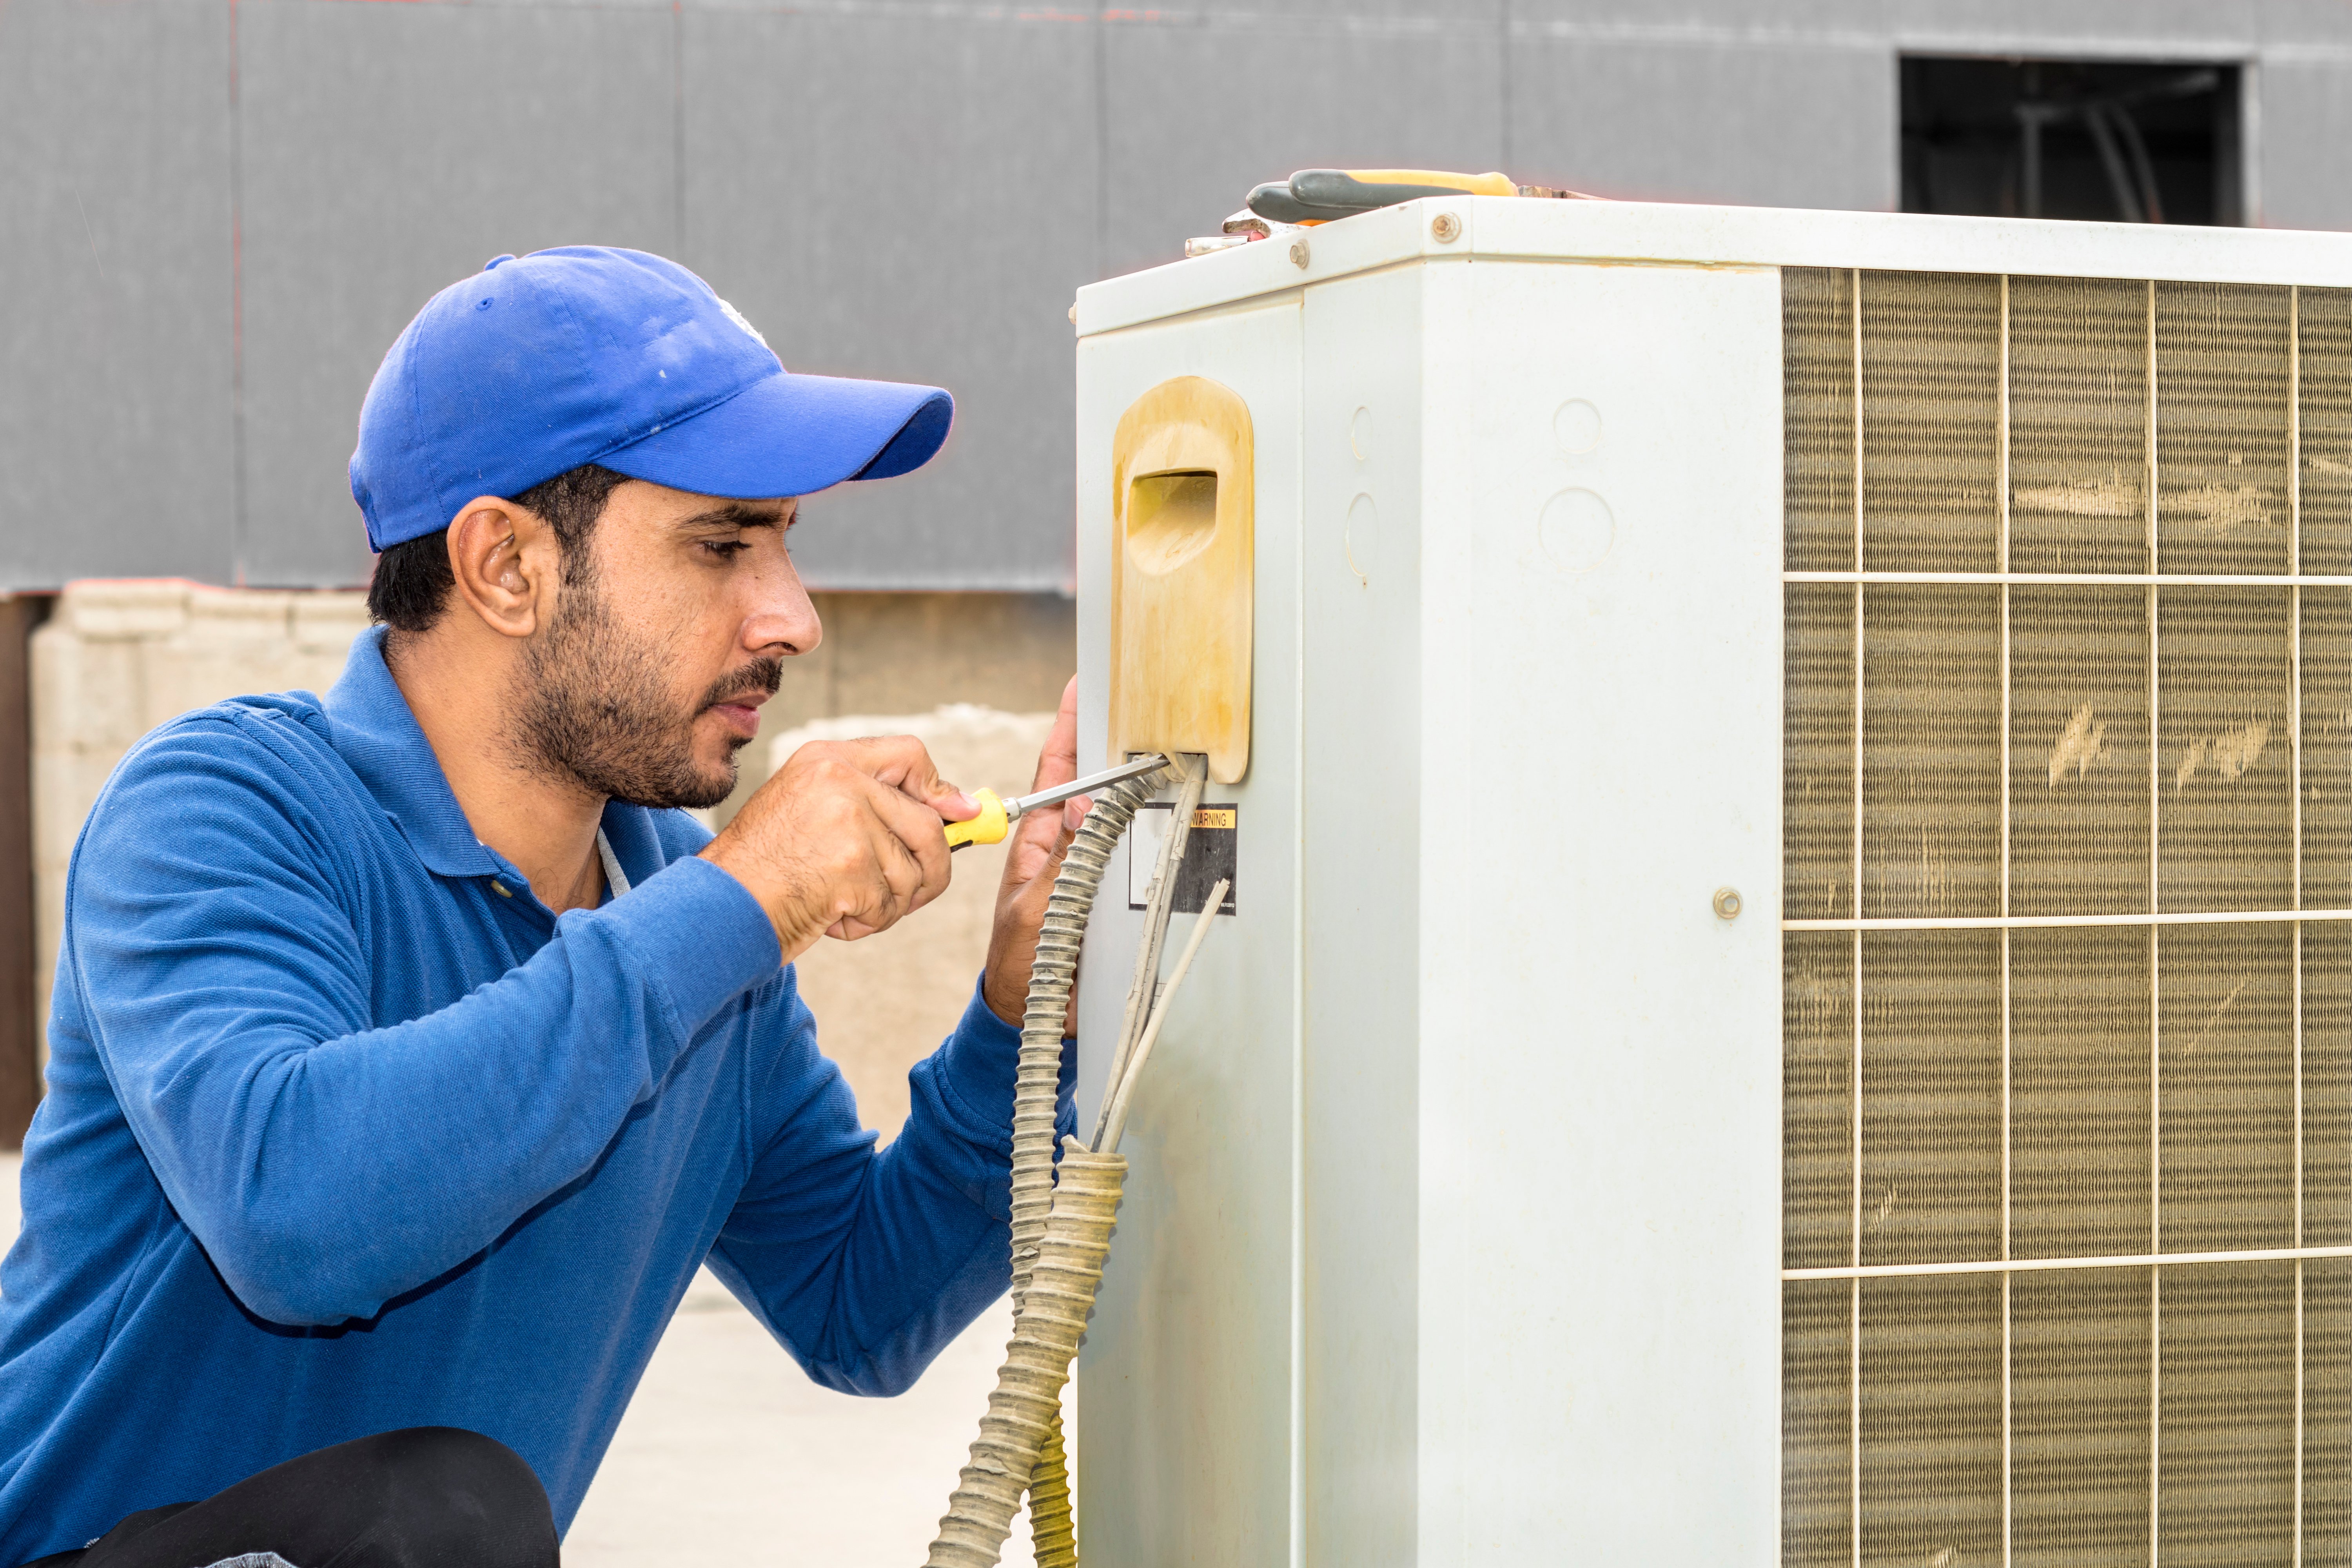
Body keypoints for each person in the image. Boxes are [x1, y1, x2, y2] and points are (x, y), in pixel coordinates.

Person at [0, 247, 1088, 1566]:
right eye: (723, 543)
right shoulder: (223, 809)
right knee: (438, 1509)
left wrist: (1027, 1014)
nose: (792, 616)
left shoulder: (687, 916)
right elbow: (293, 1213)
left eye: (787, 544)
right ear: (506, 567)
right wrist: (746, 898)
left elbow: (860, 1303)